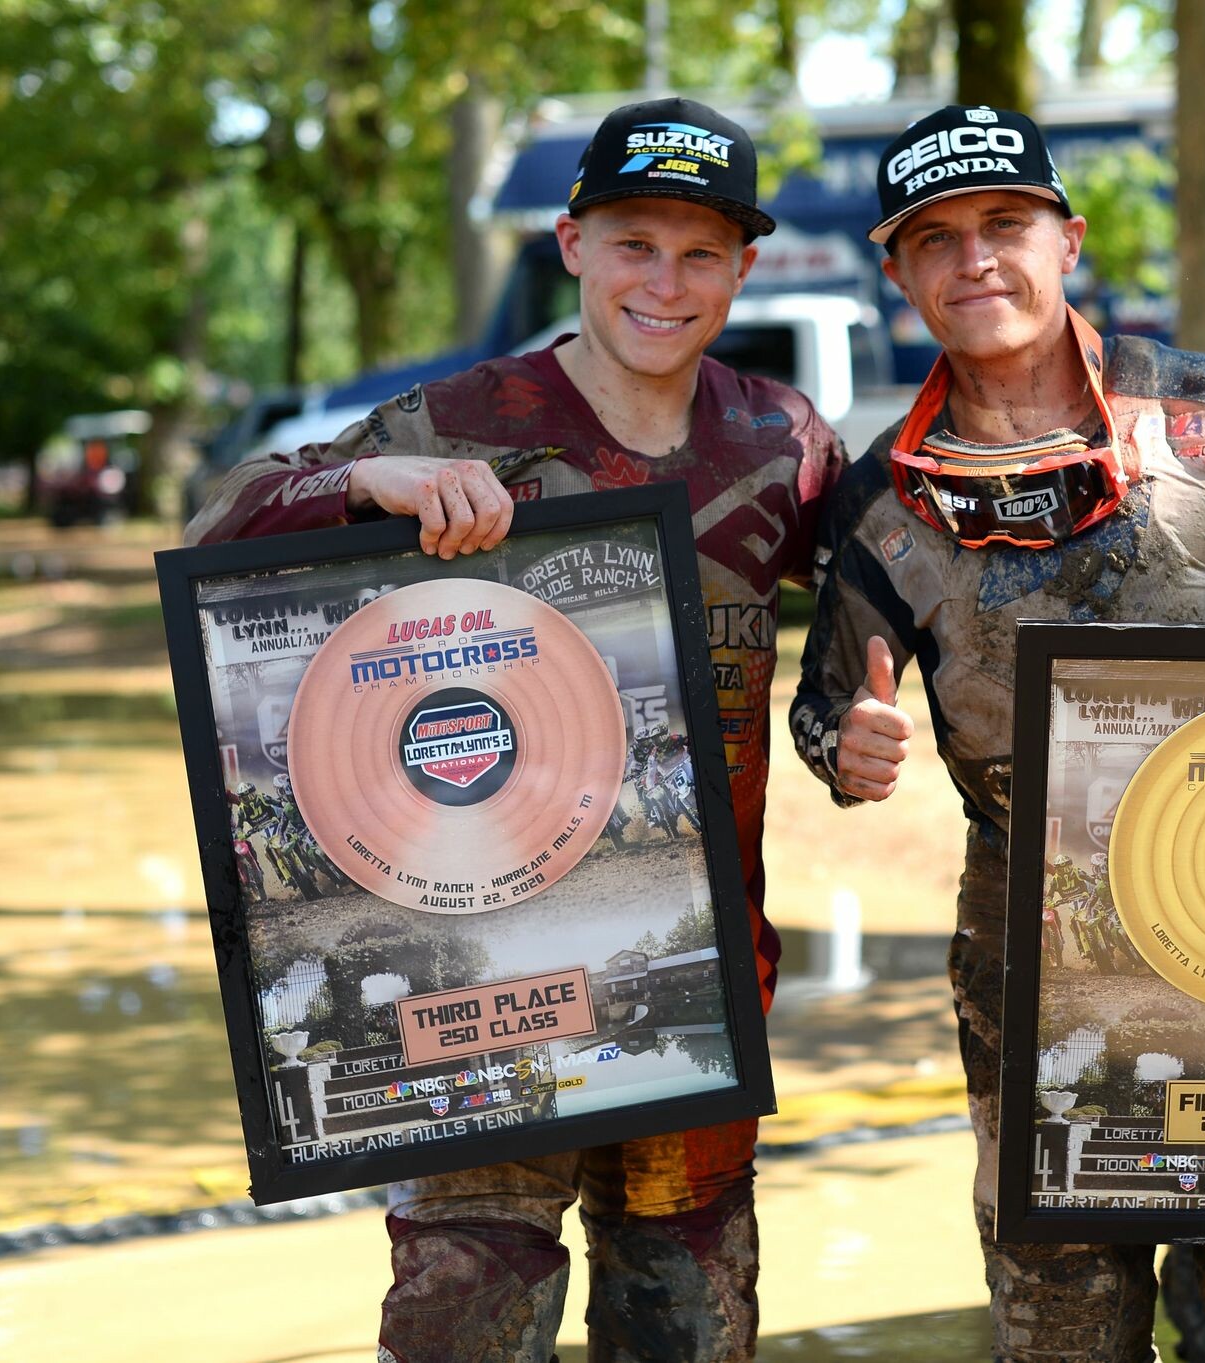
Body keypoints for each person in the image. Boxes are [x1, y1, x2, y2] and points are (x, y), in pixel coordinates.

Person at [185, 97, 843, 1363]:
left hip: (691, 989)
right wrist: (365, 483)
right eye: (634, 242)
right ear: (571, 243)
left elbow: (874, 612)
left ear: (743, 268)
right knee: (457, 1329)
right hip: (475, 986)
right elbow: (220, 529)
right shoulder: (458, 417)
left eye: (701, 251)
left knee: (687, 1332)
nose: (666, 279)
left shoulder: (782, 439)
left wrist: (849, 715)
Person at [789, 105, 1205, 1362]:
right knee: (1059, 1312)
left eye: (1004, 225)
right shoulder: (877, 492)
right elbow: (821, 710)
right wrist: (843, 749)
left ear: (1064, 241)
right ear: (898, 271)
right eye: (938, 239)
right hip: (1024, 933)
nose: (976, 260)